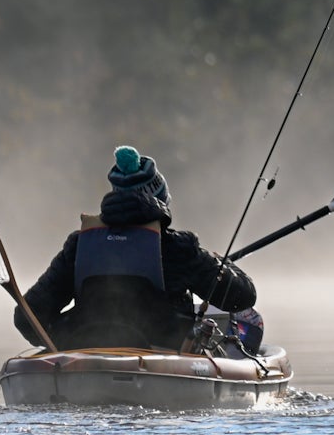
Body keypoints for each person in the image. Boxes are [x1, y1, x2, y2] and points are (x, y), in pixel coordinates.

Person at [15, 145, 257, 351]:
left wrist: (62, 347)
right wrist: (221, 263)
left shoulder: (80, 245)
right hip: (162, 368)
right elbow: (241, 297)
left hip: (85, 361)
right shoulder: (178, 248)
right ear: (162, 200)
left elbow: (27, 318)